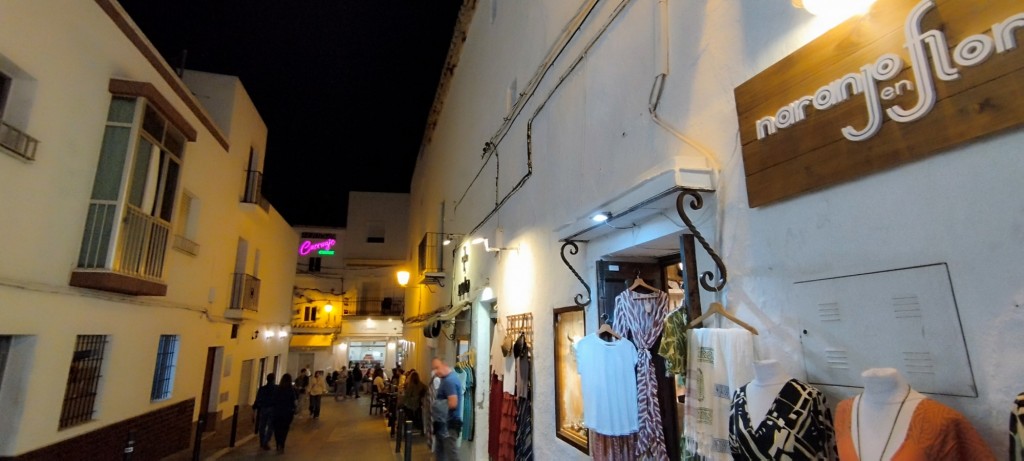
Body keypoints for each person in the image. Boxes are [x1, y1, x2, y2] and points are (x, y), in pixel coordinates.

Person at [431, 357, 464, 461]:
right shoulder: (447, 379)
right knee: (442, 454)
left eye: (437, 368)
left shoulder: (449, 381)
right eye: (434, 369)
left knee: (451, 455)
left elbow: (453, 403)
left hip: (449, 424)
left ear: (444, 365)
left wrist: (436, 405)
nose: (435, 371)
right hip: (444, 424)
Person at [272, 373, 298, 453]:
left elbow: (273, 400)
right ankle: (282, 443)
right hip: (287, 412)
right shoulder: (291, 390)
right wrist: (295, 409)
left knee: (277, 428)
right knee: (285, 428)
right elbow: (295, 401)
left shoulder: (277, 389)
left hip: (277, 411)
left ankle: (278, 443)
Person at [251, 373, 276, 450]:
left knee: (262, 425)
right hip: (272, 409)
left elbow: (258, 399)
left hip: (263, 409)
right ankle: (266, 441)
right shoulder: (276, 388)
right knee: (270, 426)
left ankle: (262, 441)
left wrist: (254, 409)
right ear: (273, 379)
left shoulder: (262, 389)